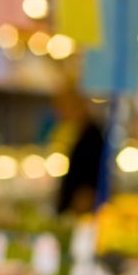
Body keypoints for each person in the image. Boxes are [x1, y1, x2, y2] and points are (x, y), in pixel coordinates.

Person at [52, 86, 106, 215]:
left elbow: (91, 177)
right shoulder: (77, 130)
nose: (59, 110)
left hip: (81, 210)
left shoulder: (91, 135)